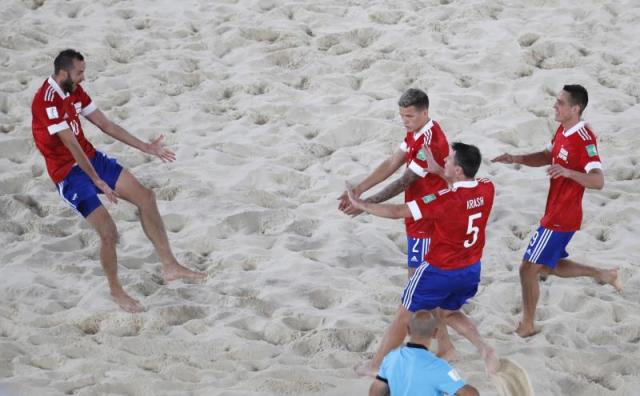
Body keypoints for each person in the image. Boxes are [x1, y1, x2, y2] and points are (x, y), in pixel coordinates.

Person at [31, 49, 206, 313]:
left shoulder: (74, 90)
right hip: (69, 173)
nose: (84, 77)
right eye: (80, 73)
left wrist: (146, 147)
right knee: (109, 233)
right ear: (64, 72)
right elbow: (72, 144)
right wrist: (97, 181)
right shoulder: (46, 102)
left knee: (146, 197)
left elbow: (107, 125)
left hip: (91, 158)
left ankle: (170, 266)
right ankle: (116, 290)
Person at [348, 142, 499, 377]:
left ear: (458, 170)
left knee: (403, 314)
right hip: (470, 269)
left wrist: (362, 204)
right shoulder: (487, 188)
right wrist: (437, 169)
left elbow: (397, 212)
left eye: (448, 160)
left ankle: (375, 365)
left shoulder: (443, 199)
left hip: (439, 270)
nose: (444, 161)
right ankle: (484, 348)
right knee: (448, 313)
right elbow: (462, 187)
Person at [492, 84, 622, 337]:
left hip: (563, 216)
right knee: (548, 266)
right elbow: (546, 155)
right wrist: (516, 158)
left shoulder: (585, 139)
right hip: (554, 212)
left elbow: (598, 180)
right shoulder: (563, 130)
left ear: (575, 108)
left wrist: (569, 172)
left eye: (561, 103)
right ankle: (604, 274)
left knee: (528, 269)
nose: (555, 106)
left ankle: (528, 325)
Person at [338, 88, 450, 279]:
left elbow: (403, 182)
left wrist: (365, 205)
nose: (404, 121)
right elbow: (392, 162)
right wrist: (357, 190)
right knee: (419, 276)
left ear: (425, 113)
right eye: (402, 115)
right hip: (415, 209)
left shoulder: (430, 142)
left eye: (409, 116)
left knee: (418, 278)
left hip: (427, 213)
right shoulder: (416, 131)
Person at [369, 311, 479, 396]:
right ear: (435, 333)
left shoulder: (391, 358)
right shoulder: (439, 367)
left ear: (408, 330)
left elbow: (375, 390)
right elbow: (470, 394)